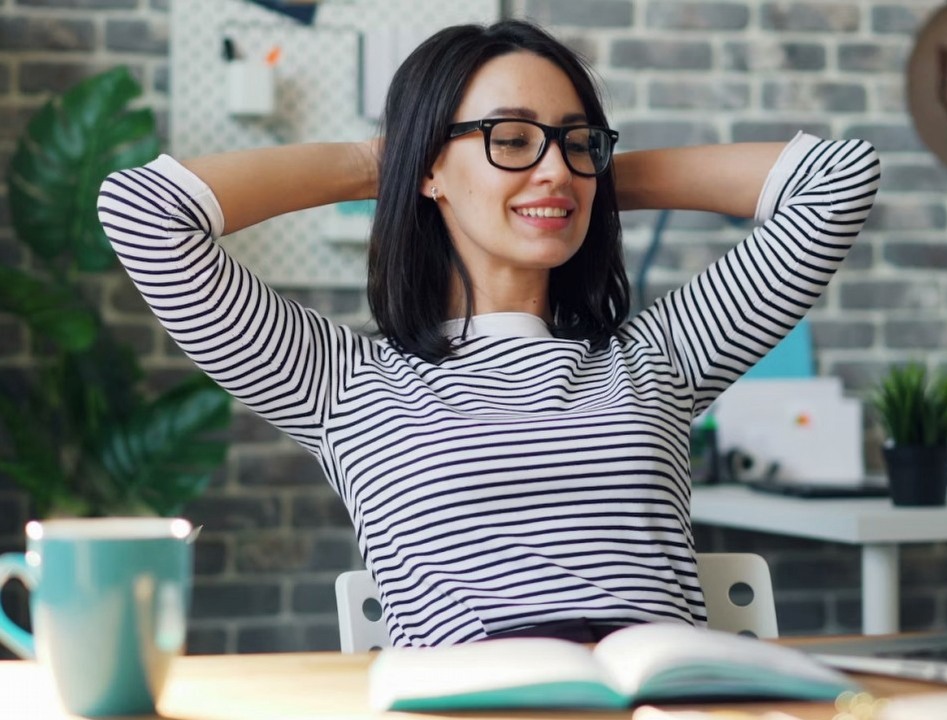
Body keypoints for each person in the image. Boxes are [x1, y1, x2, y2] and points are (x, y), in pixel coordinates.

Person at [98, 19, 880, 647]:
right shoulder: (340, 383)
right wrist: (396, 161)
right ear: (429, 167)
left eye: (578, 141)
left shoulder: (659, 360)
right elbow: (143, 214)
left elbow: (837, 181)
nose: (554, 169)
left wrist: (585, 181)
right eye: (510, 138)